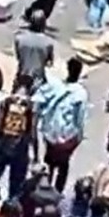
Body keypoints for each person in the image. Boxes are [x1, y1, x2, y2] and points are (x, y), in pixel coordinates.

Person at [34, 56, 88, 192]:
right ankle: (57, 193)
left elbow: (39, 100)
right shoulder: (80, 93)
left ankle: (45, 188)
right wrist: (79, 137)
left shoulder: (55, 87)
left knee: (49, 162)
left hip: (51, 134)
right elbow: (79, 119)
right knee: (63, 166)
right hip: (67, 137)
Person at [0, 73, 38, 199]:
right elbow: (32, 132)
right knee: (16, 185)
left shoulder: (6, 101)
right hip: (20, 148)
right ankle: (11, 205)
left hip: (3, 145)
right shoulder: (30, 105)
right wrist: (35, 154)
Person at [15, 10, 56, 87]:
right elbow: (49, 63)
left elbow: (18, 57)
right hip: (38, 81)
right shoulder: (49, 42)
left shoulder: (19, 38)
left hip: (21, 77)